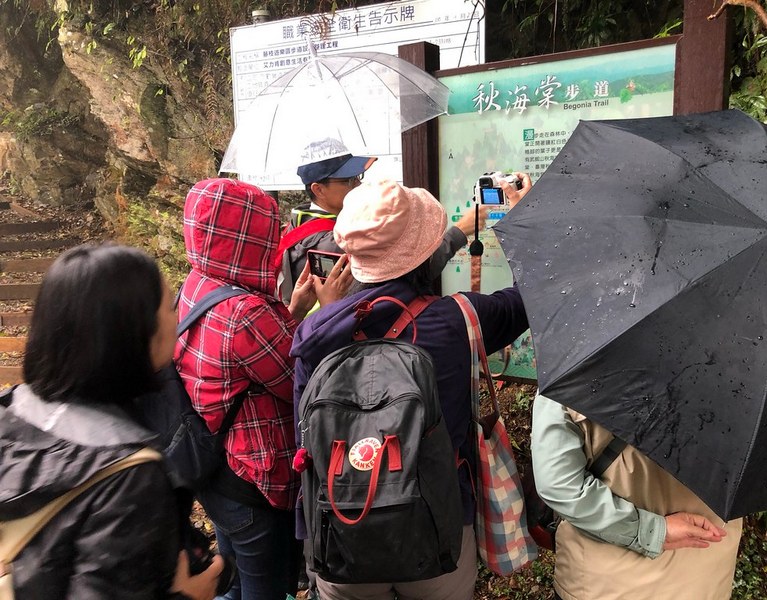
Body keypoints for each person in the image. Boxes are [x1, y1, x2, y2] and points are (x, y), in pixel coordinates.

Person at [290, 174, 532, 600]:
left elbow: (306, 439)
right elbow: (527, 296)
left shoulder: (314, 333)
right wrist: (524, 221)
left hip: (341, 532)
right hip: (437, 526)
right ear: (425, 250)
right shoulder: (458, 320)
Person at [0, 243, 222, 600]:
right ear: (134, 334)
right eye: (168, 307)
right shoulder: (128, 477)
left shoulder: (11, 409)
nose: (177, 316)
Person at [174, 177, 351, 600]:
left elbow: (249, 359)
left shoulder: (200, 283)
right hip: (255, 482)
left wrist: (294, 309)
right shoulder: (248, 312)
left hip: (217, 468)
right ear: (245, 236)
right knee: (265, 588)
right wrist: (329, 313)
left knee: (233, 578)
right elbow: (303, 381)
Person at [531, 394, 743, 600]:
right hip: (707, 575)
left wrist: (652, 532)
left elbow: (559, 485)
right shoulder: (748, 375)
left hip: (607, 585)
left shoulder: (574, 372)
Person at [278, 137, 487, 303]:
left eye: (358, 177)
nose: (358, 185)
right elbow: (402, 274)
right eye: (349, 180)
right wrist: (459, 231)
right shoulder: (334, 243)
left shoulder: (297, 225)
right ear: (318, 189)